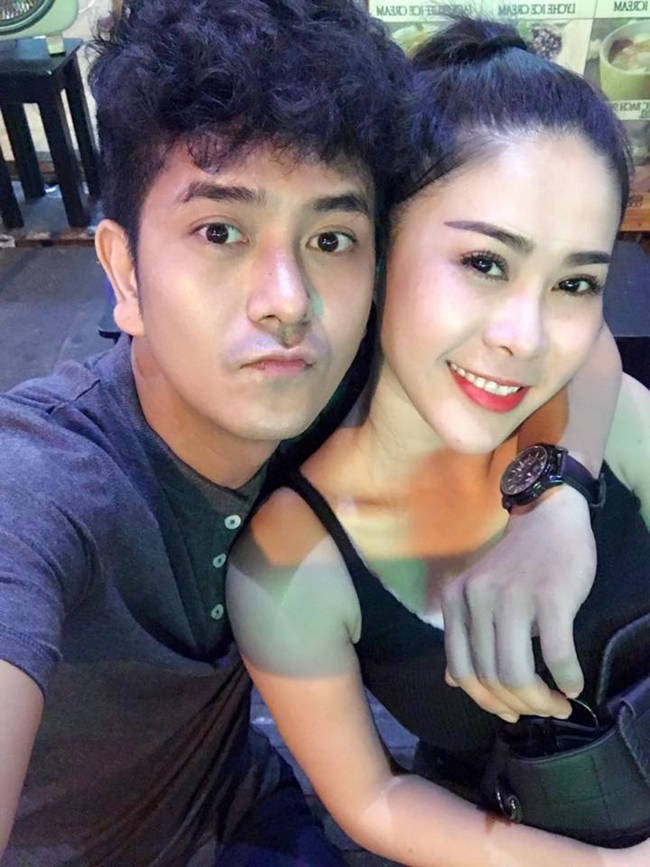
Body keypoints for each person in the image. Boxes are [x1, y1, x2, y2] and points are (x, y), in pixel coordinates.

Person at [227, 16, 650, 866]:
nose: (526, 337)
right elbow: (371, 797)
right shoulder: (290, 570)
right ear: (377, 250)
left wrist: (560, 501)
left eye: (574, 282)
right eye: (485, 263)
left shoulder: (614, 421)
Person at [0, 1, 411, 864]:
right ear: (124, 273)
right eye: (220, 230)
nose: (288, 302)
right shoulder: (41, 484)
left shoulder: (321, 387)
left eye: (331, 237)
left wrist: (553, 497)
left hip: (243, 815)